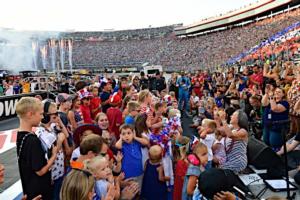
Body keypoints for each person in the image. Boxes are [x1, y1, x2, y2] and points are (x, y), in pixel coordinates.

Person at [16, 97, 57, 200]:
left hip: (30, 189)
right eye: (40, 114)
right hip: (39, 192)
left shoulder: (22, 135)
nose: (42, 117)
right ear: (30, 114)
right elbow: (40, 171)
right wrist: (54, 155)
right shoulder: (32, 140)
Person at [35, 101, 71, 200]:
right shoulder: (41, 132)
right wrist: (59, 141)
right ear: (45, 115)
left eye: (57, 113)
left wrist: (60, 122)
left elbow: (66, 135)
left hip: (60, 169)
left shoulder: (53, 126)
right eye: (54, 114)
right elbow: (50, 153)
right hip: (52, 174)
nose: (56, 116)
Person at [115, 124, 149, 189]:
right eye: (123, 134)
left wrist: (135, 137)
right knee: (130, 191)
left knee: (139, 190)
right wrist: (121, 138)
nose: (126, 135)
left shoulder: (136, 142)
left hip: (139, 172)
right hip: (127, 174)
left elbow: (146, 142)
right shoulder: (123, 145)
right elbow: (117, 145)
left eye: (129, 133)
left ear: (133, 133)